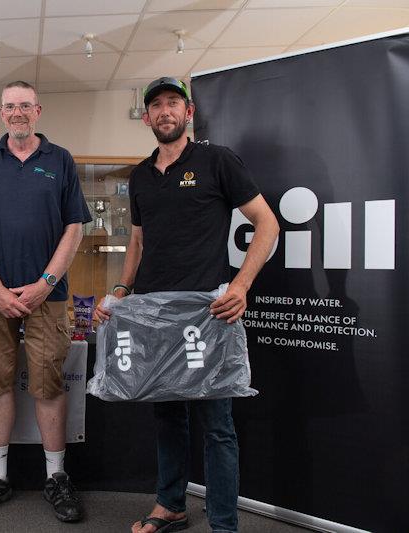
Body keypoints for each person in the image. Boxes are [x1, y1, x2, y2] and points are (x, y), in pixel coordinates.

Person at [93, 77, 279, 533]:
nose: (164, 111)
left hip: (209, 314)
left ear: (188, 111)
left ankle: (223, 524)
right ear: (147, 116)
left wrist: (241, 284)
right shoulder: (140, 175)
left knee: (217, 425)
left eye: (172, 102)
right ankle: (171, 504)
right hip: (156, 315)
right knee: (168, 416)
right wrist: (121, 290)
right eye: (155, 105)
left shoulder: (217, 160)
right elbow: (137, 240)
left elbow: (267, 223)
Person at [0, 80, 91, 523]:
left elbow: (75, 227)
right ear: (1, 113)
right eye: (10, 106)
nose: (17, 113)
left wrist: (45, 282)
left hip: (48, 298)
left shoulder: (61, 160)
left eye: (25, 106)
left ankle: (56, 478)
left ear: (38, 110)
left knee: (49, 382)